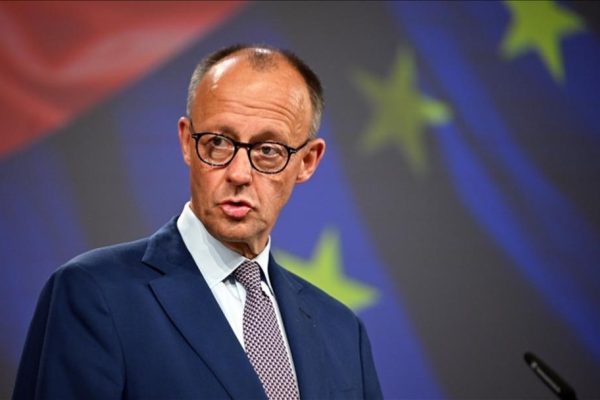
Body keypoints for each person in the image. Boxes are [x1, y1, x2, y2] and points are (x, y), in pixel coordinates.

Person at [13, 44, 382, 400]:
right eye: (218, 142)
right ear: (187, 142)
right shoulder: (94, 294)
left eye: (268, 150)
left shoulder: (342, 330)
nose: (239, 173)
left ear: (307, 161)